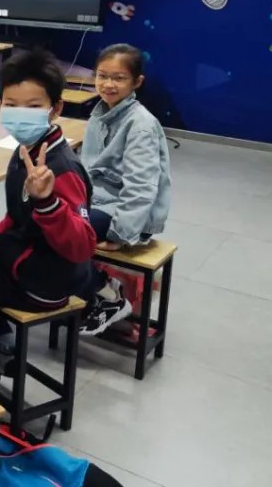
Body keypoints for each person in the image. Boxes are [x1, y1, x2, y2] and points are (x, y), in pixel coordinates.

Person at [0, 50, 98, 374]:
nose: (20, 115)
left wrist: (47, 202)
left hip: (46, 283)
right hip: (27, 258)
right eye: (11, 105)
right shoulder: (27, 150)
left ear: (56, 109)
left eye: (33, 106)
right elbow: (17, 217)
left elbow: (83, 245)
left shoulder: (61, 168)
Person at [79, 43, 172, 335]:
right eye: (102, 76)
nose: (108, 84)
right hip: (98, 202)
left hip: (124, 216)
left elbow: (141, 188)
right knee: (44, 217)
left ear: (136, 82)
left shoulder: (141, 124)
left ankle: (108, 296)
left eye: (118, 78)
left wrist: (120, 234)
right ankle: (82, 293)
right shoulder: (100, 114)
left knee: (66, 231)